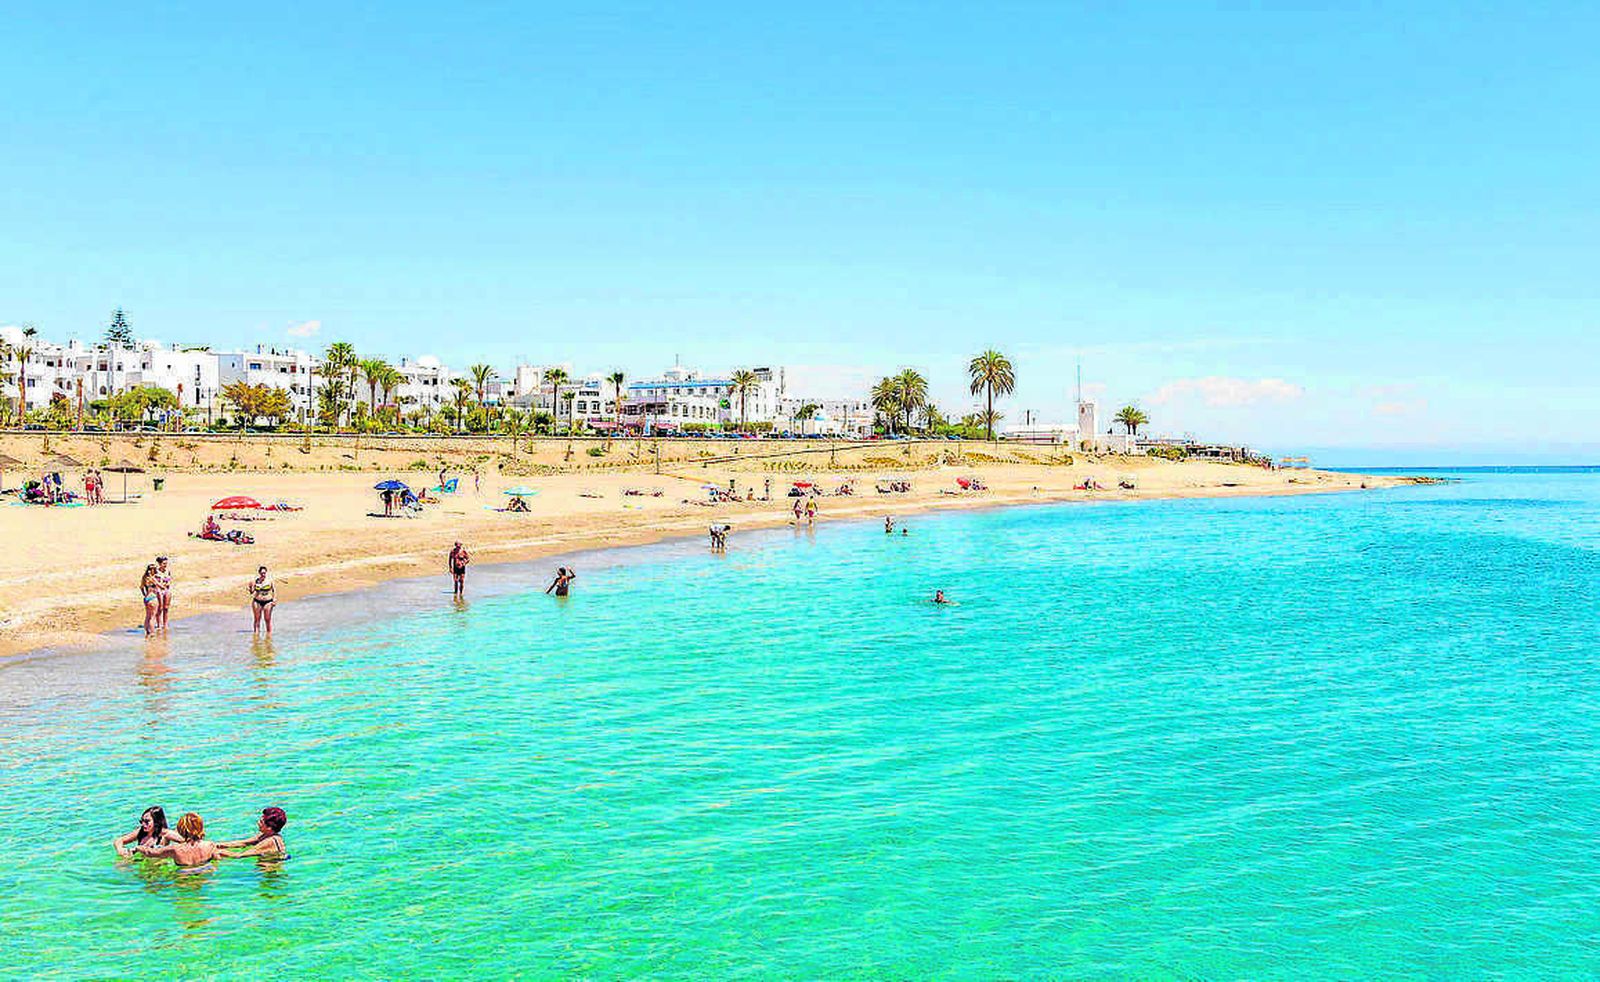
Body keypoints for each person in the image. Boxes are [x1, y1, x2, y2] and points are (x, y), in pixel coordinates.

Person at [139, 812, 219, 870]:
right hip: (204, 874)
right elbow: (217, 860)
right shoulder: (210, 845)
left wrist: (139, 848)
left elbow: (150, 853)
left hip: (183, 878)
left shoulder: (175, 849)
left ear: (181, 829)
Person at [218, 806, 289, 860]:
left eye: (261, 822)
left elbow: (239, 855)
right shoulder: (266, 835)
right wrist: (217, 845)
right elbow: (243, 843)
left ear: (269, 828)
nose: (258, 823)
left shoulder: (270, 841)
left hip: (268, 872)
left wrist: (217, 851)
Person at [113, 806, 179, 857]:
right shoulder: (141, 831)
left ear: (156, 821)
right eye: (141, 821)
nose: (143, 824)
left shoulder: (165, 834)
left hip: (158, 865)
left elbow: (184, 841)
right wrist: (121, 850)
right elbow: (119, 840)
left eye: (147, 821)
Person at [249, 566, 276, 634]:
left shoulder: (269, 581)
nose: (263, 574)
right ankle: (256, 634)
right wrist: (250, 587)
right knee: (257, 619)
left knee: (267, 619)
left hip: (268, 601)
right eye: (261, 573)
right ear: (259, 573)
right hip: (257, 601)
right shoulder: (256, 581)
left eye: (264, 573)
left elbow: (274, 590)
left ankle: (269, 635)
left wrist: (274, 599)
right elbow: (252, 592)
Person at [140, 564, 160, 635]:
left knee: (148, 616)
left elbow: (141, 587)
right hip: (153, 597)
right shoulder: (152, 579)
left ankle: (147, 632)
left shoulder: (144, 578)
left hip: (147, 597)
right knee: (153, 616)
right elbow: (160, 586)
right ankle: (152, 632)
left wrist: (144, 594)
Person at [154, 556, 172, 630]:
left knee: (166, 608)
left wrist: (168, 583)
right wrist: (160, 586)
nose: (165, 565)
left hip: (166, 590)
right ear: (159, 564)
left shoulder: (167, 571)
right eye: (164, 563)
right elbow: (154, 581)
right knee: (160, 608)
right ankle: (159, 624)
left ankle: (165, 624)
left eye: (166, 563)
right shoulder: (156, 572)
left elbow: (169, 579)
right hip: (159, 590)